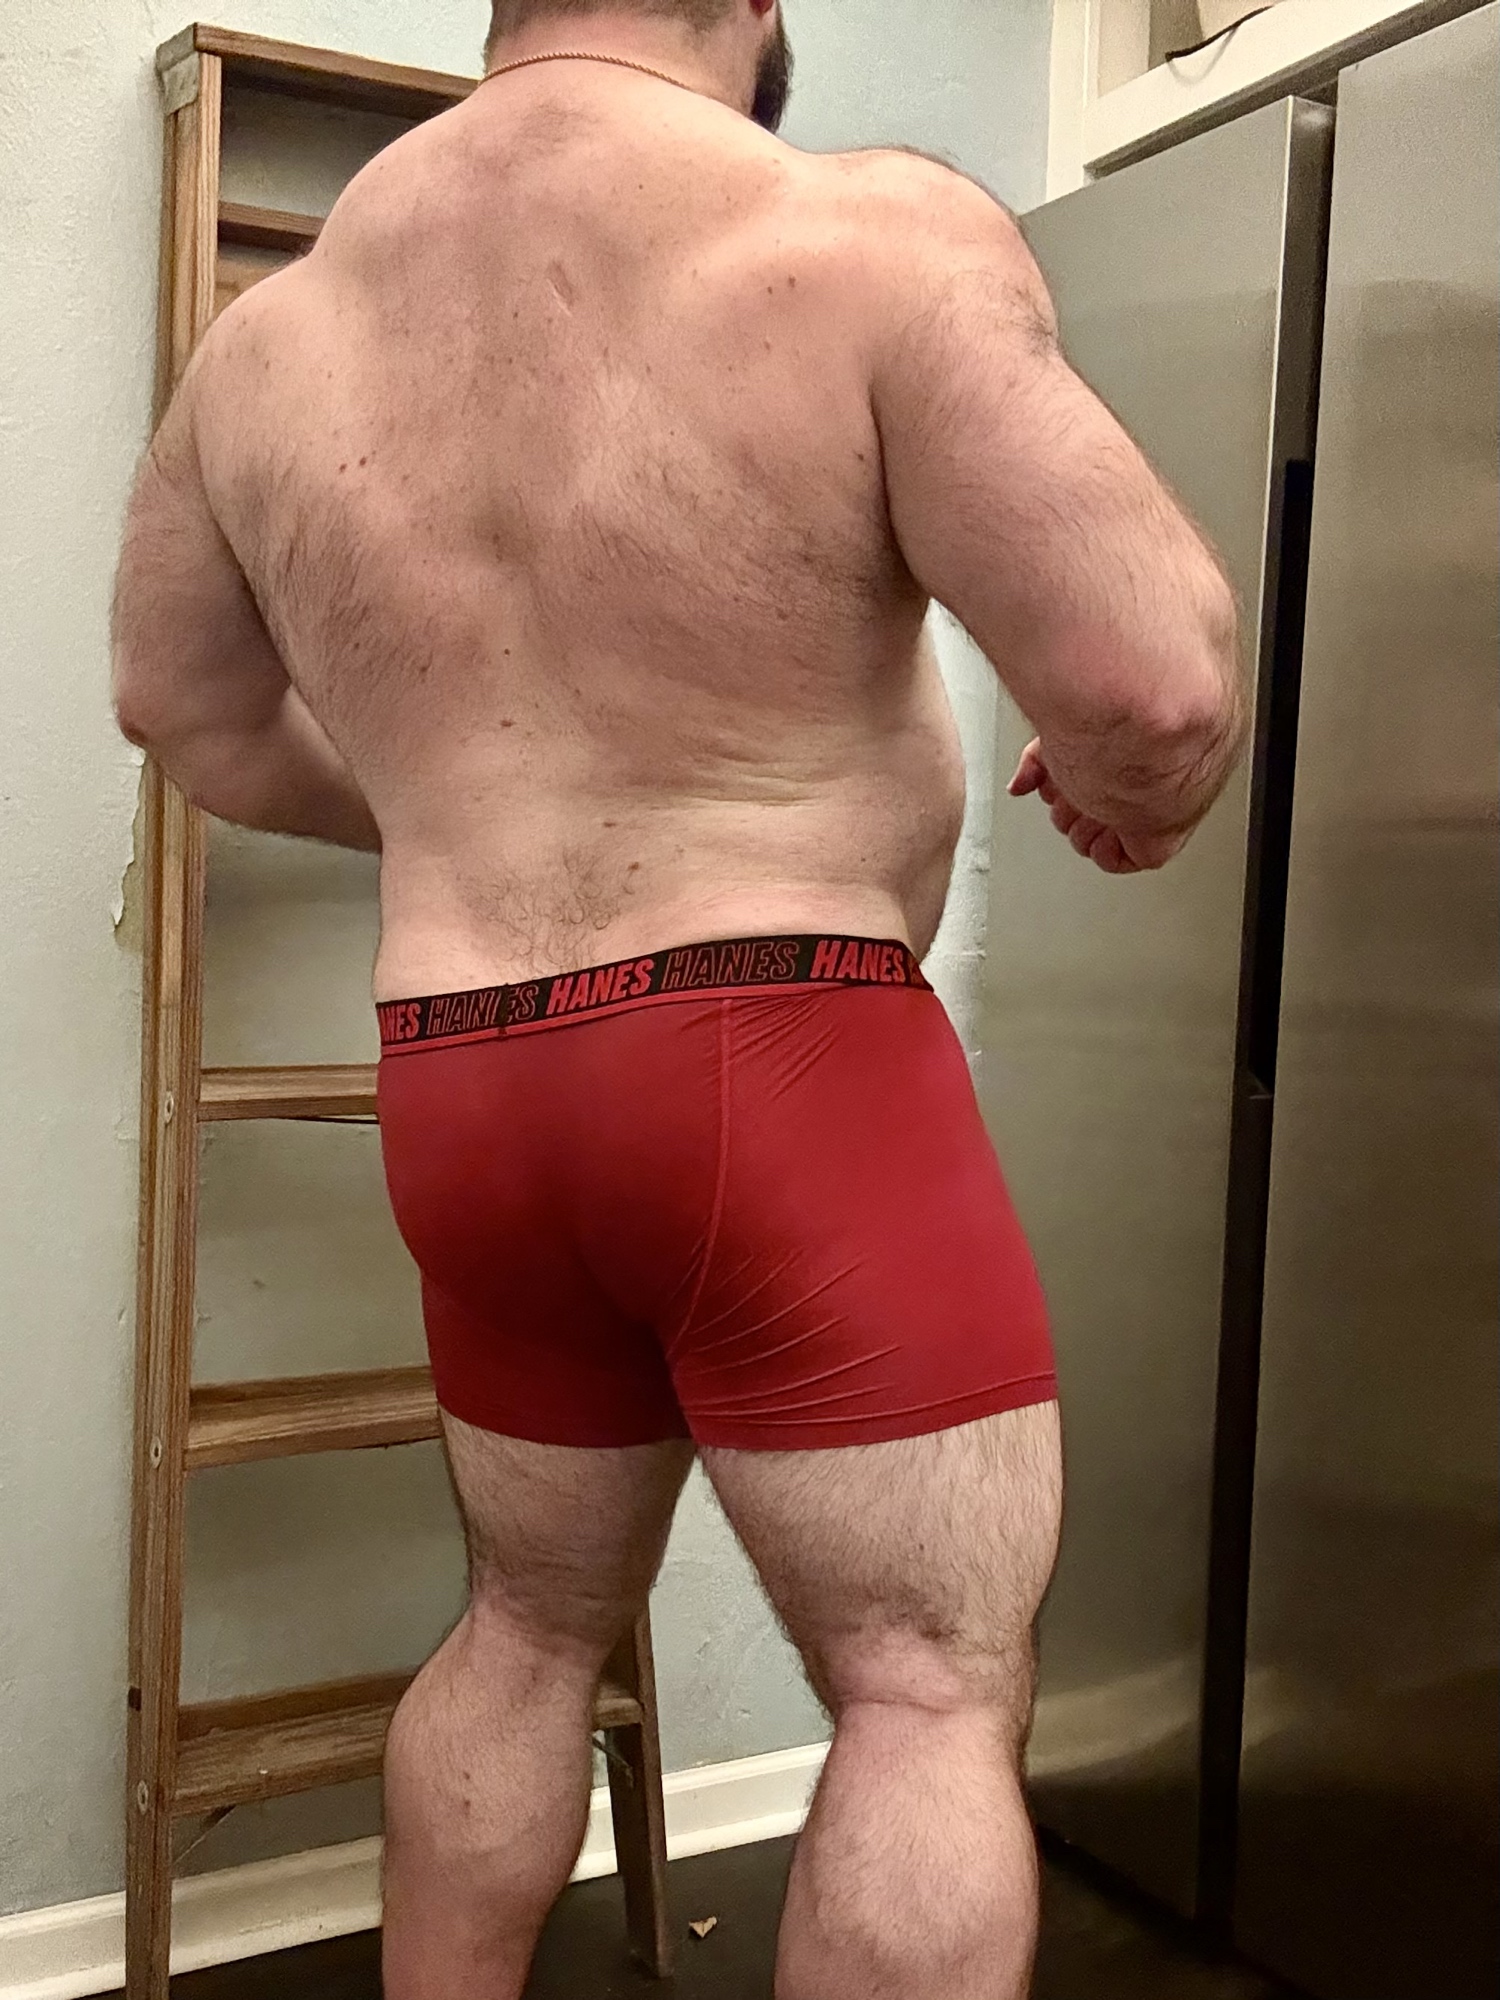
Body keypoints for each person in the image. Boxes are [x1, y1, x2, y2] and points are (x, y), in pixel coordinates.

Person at [110, 3, 1242, 1994]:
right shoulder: (866, 231)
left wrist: (444, 810)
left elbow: (176, 709)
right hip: (781, 1050)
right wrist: (1134, 799)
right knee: (921, 1688)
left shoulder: (270, 343)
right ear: (757, 10)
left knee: (524, 1626)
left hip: (465, 1079)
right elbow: (1154, 681)